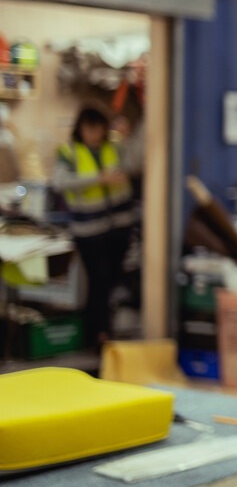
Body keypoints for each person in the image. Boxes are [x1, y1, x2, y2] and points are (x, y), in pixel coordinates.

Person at [53, 106, 136, 347]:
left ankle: (109, 332)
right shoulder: (69, 153)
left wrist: (128, 137)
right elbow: (59, 182)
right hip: (88, 230)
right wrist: (98, 178)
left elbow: (133, 165)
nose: (95, 133)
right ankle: (96, 334)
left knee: (113, 281)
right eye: (89, 128)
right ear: (80, 129)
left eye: (99, 128)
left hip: (119, 226)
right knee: (98, 281)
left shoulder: (115, 148)